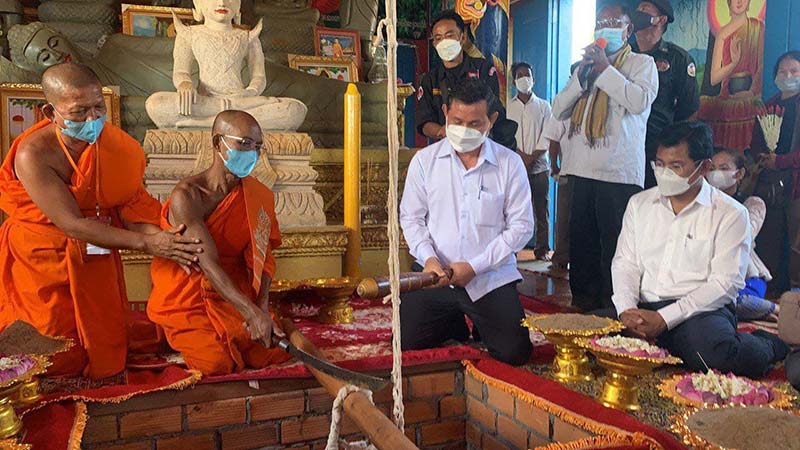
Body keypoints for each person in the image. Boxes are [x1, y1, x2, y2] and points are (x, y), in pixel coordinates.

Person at [0, 63, 203, 379]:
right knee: (52, 348)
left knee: (105, 335)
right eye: (79, 112)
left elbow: (130, 207)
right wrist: (149, 243)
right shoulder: (34, 154)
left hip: (98, 248)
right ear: (49, 113)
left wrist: (171, 239)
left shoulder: (118, 147)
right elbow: (71, 224)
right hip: (42, 257)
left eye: (98, 107)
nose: (92, 119)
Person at [611, 121, 789, 378]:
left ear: (704, 167)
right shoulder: (639, 204)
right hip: (643, 306)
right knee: (589, 332)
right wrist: (627, 310)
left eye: (676, 166)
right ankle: (667, 344)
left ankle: (767, 344)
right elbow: (625, 262)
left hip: (698, 312)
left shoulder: (730, 213)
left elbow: (725, 284)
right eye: (659, 164)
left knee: (714, 355)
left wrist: (665, 319)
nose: (664, 173)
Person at [400, 79, 534, 366]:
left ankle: (479, 321)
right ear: (445, 113)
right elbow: (411, 218)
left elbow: (521, 227)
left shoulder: (510, 164)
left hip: (489, 278)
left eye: (474, 124)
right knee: (406, 341)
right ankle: (453, 323)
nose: (464, 130)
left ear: (491, 120)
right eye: (457, 121)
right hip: (434, 275)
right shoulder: (424, 161)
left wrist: (475, 266)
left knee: (515, 352)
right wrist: (429, 259)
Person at [147, 110, 290, 376]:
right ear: (217, 143)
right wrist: (250, 313)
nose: (252, 153)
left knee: (272, 352)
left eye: (257, 146)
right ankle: (175, 336)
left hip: (233, 293)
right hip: (190, 297)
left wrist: (261, 309)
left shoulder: (258, 195)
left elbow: (264, 258)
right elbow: (208, 263)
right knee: (216, 364)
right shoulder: (187, 196)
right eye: (244, 143)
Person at [551, 3, 657, 311]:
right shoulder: (582, 67)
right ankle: (583, 303)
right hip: (580, 168)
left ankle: (614, 307)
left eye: (613, 22)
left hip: (617, 172)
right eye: (600, 23)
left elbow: (638, 101)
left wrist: (605, 70)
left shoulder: (642, 64)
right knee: (582, 243)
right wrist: (583, 76)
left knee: (615, 243)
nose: (604, 28)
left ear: (627, 30)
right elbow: (559, 109)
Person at [415, 9, 517, 150]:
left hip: (482, 146)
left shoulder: (483, 70)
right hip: (447, 149)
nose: (444, 42)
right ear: (434, 44)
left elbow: (494, 111)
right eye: (438, 38)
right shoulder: (430, 79)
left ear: (462, 37)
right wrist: (442, 131)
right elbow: (424, 122)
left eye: (449, 36)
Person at [631, 0, 700, 189]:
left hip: (658, 150)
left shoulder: (678, 58)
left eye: (644, 9)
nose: (638, 13)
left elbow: (689, 111)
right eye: (637, 9)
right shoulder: (624, 55)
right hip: (624, 149)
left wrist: (672, 149)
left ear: (661, 19)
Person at [707, 149, 777, 321]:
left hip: (747, 278)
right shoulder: (701, 204)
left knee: (728, 301)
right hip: (709, 277)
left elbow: (744, 236)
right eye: (713, 168)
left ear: (739, 174)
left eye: (724, 168)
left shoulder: (752, 204)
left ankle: (774, 309)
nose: (716, 173)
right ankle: (760, 311)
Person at [754, 51, 800, 293]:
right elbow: (756, 143)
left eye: (794, 71)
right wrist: (763, 158)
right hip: (770, 185)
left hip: (796, 186)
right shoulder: (769, 106)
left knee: (796, 243)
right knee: (770, 240)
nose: (788, 76)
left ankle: (794, 294)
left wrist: (780, 161)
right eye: (783, 71)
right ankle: (770, 292)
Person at [507, 62, 552, 261]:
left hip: (539, 167)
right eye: (520, 75)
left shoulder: (544, 106)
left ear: (533, 79)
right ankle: (512, 250)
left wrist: (531, 157)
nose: (524, 79)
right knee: (514, 211)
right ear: (514, 81)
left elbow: (548, 134)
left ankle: (542, 250)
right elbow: (506, 136)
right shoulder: (508, 107)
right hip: (515, 168)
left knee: (541, 210)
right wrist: (520, 157)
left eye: (527, 75)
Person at [541, 116, 572, 272]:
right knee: (564, 217)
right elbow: (554, 140)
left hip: (591, 175)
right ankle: (561, 258)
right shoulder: (563, 109)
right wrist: (554, 165)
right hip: (567, 172)